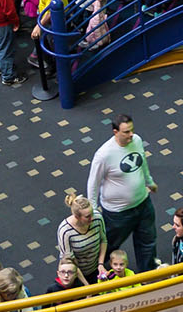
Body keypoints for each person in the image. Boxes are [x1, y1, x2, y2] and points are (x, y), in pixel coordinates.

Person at [87, 112, 159, 272]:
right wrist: (92, 211)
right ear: (115, 132)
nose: (131, 134)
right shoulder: (104, 154)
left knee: (148, 243)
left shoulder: (137, 140)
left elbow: (142, 163)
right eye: (126, 132)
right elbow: (93, 184)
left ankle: (148, 278)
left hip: (143, 203)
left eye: (132, 130)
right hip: (117, 213)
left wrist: (149, 182)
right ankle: (93, 274)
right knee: (109, 245)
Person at [56, 189, 108, 283]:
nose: (92, 218)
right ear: (77, 217)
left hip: (95, 268)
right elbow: (69, 261)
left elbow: (103, 240)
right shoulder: (65, 231)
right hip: (76, 275)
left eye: (92, 213)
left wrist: (100, 264)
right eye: (88, 216)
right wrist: (86, 284)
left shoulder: (97, 218)